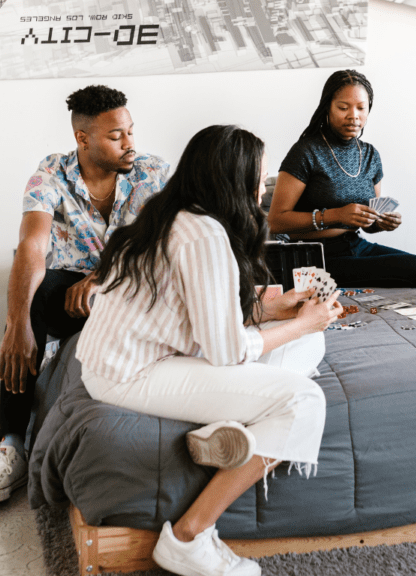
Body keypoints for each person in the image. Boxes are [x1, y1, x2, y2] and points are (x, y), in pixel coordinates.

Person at [76, 125, 342, 576]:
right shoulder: (204, 235)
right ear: (234, 180)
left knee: (309, 341)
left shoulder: (176, 214)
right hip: (132, 371)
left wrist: (273, 309)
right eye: (259, 175)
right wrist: (299, 324)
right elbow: (226, 352)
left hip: (142, 354)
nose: (263, 187)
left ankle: (224, 426)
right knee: (303, 398)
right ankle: (188, 537)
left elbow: (195, 313)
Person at [0, 85, 170, 504]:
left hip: (130, 288)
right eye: (117, 136)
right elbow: (31, 248)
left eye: (131, 131)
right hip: (71, 299)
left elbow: (163, 245)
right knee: (35, 300)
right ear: (83, 139)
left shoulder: (153, 173)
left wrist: (103, 275)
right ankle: (12, 447)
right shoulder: (49, 175)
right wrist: (17, 326)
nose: (130, 143)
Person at [267, 69, 416, 293]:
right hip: (313, 256)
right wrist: (336, 215)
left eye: (361, 108)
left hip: (356, 246)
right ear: (327, 107)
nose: (353, 115)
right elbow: (276, 221)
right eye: (343, 107)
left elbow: (369, 222)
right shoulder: (306, 151)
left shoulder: (370, 155)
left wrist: (380, 222)